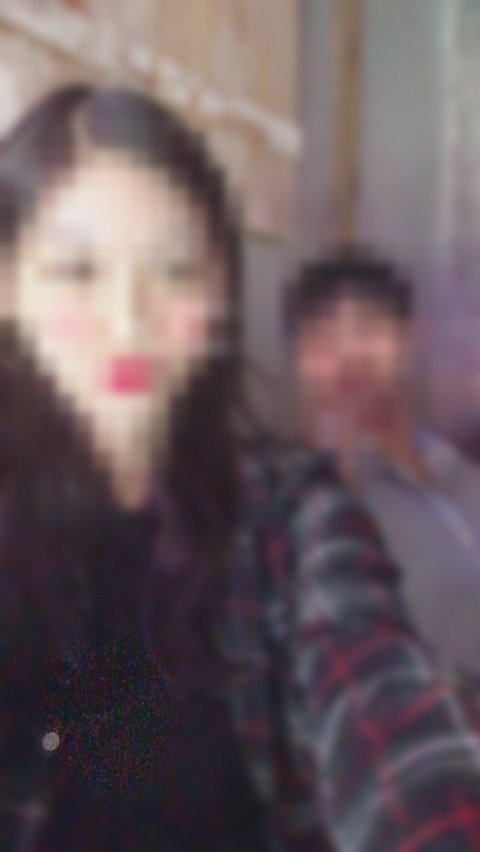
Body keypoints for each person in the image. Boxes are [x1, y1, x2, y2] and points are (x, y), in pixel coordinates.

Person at [1, 86, 480, 852]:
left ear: (221, 292)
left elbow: (383, 701)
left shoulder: (295, 510)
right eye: (77, 269)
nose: (128, 321)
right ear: (8, 290)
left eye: (174, 269)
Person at [288, 248, 480, 693]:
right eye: (323, 334)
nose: (350, 353)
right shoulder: (286, 497)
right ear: (299, 360)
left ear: (407, 342)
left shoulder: (459, 476)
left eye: (369, 327)